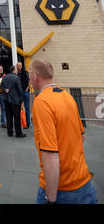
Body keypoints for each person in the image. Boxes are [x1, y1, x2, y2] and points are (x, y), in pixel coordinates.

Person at [29, 58, 98, 204]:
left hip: (63, 189)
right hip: (85, 183)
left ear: (35, 75)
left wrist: (51, 198)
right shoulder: (67, 96)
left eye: (30, 75)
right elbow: (82, 136)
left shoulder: (42, 102)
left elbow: (50, 154)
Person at [1, 65, 25, 138]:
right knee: (16, 117)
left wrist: (5, 90)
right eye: (16, 70)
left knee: (9, 116)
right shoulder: (16, 78)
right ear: (13, 71)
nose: (17, 71)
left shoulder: (5, 77)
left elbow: (1, 86)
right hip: (15, 100)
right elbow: (19, 89)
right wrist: (22, 99)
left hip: (6, 100)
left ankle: (10, 132)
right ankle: (18, 133)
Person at [16, 61, 31, 128]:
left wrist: (27, 88)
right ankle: (21, 122)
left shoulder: (25, 72)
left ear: (21, 66)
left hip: (25, 91)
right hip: (18, 92)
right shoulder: (16, 73)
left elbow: (29, 80)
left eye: (19, 65)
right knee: (19, 107)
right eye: (17, 65)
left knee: (27, 107)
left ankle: (28, 123)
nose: (18, 66)